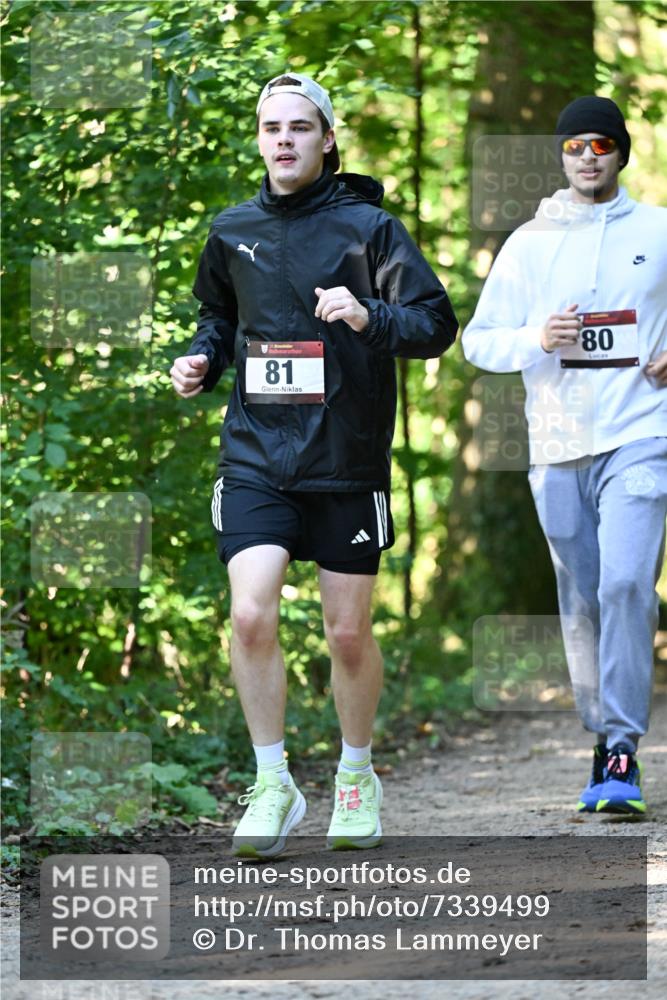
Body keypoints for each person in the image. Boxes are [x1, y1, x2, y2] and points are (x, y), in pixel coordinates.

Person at [170, 72, 458, 856]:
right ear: (258, 138)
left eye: (301, 127)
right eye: (272, 128)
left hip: (345, 460)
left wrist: (369, 315)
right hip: (257, 454)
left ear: (327, 139)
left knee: (347, 633)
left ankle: (356, 775)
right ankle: (272, 782)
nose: (285, 140)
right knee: (251, 612)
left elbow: (435, 323)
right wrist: (199, 360)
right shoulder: (232, 229)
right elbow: (217, 317)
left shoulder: (368, 227)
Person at [462, 96, 667, 815]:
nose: (587, 155)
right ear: (561, 155)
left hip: (641, 435)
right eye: (575, 145)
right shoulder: (527, 243)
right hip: (554, 446)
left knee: (622, 587)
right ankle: (601, 732)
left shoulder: (658, 231)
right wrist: (533, 340)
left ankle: (619, 746)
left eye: (601, 144)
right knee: (582, 599)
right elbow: (477, 341)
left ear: (620, 153)